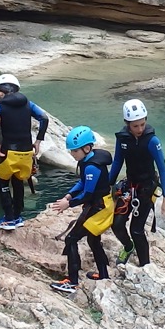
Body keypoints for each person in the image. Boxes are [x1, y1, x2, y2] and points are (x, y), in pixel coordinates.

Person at [47, 126, 114, 294]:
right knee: (92, 240)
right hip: (101, 205)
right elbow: (82, 183)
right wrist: (68, 196)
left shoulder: (92, 167)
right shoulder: (87, 161)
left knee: (71, 239)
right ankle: (104, 274)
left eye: (74, 151)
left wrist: (67, 205)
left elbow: (87, 194)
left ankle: (72, 281)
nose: (72, 154)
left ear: (86, 148)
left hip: (99, 208)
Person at [110, 98, 165, 269]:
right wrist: (106, 187)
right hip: (130, 186)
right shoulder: (122, 139)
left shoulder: (152, 141)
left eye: (142, 124)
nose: (140, 129)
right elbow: (117, 163)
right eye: (135, 126)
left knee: (136, 230)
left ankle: (146, 267)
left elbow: (163, 169)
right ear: (127, 123)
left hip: (146, 189)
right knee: (116, 224)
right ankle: (128, 247)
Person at [0, 73, 50, 230]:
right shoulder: (28, 103)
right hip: (27, 152)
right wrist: (38, 141)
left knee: (3, 182)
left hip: (8, 152)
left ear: (1, 92)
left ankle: (8, 219)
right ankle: (18, 216)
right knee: (18, 182)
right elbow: (44, 118)